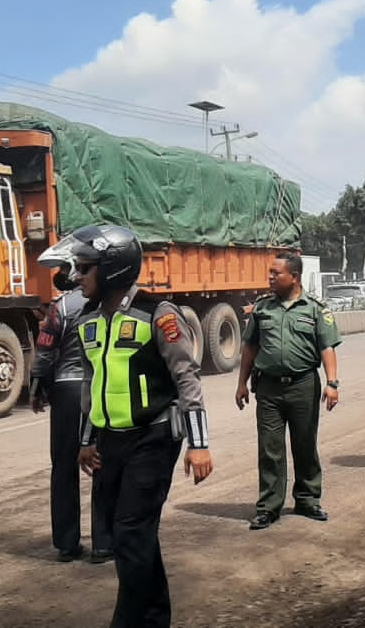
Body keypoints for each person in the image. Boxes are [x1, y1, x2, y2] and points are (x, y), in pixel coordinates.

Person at [64, 224, 214, 628]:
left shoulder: (158, 315)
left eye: (84, 268)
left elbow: (188, 381)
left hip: (154, 439)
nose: (76, 277)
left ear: (111, 269)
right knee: (134, 534)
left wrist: (199, 445)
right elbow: (91, 387)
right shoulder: (86, 321)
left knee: (130, 533)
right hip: (110, 443)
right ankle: (155, 617)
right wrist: (86, 440)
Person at [236, 251, 343, 531]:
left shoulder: (316, 309)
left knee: (305, 444)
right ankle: (269, 507)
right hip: (268, 388)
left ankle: (307, 500)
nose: (270, 277)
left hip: (303, 385)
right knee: (269, 449)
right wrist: (241, 384)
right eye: (270, 273)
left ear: (294, 277)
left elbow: (326, 347)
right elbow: (250, 348)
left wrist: (332, 383)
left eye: (276, 273)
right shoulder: (262, 308)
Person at [31, 244, 113, 564]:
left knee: (63, 467)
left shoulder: (60, 308)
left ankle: (67, 543)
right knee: (99, 462)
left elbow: (45, 350)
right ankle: (104, 543)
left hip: (65, 392)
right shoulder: (107, 304)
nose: (67, 276)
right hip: (99, 388)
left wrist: (37, 387)